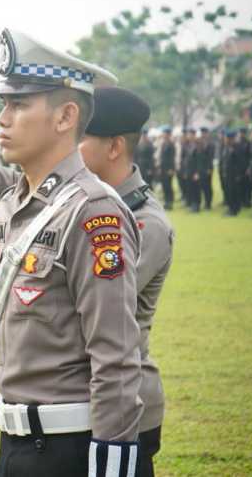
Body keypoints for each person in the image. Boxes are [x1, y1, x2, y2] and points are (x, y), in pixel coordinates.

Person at [0, 29, 143, 477]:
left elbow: (115, 358)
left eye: (18, 105)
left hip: (69, 451)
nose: (2, 118)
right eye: (3, 104)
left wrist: (112, 467)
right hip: (17, 446)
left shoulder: (94, 213)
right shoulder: (18, 201)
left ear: (65, 117)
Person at [78, 87, 174, 477]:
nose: (70, 147)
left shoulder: (144, 223)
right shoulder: (86, 202)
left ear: (114, 147)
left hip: (126, 404)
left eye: (81, 138)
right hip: (84, 397)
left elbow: (92, 302)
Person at [221, 130, 245, 216]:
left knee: (234, 192)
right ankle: (231, 207)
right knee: (228, 192)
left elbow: (240, 162)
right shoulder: (226, 147)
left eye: (226, 138)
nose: (225, 140)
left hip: (234, 175)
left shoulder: (237, 147)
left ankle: (234, 210)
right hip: (227, 174)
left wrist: (238, 174)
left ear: (231, 139)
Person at [158, 127, 176, 210]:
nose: (164, 135)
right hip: (163, 168)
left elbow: (172, 158)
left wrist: (171, 169)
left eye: (165, 133)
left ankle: (170, 202)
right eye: (163, 133)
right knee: (164, 185)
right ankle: (166, 201)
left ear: (169, 134)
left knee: (169, 185)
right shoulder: (163, 143)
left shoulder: (171, 144)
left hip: (168, 168)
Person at [197, 127, 214, 209]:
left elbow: (210, 157)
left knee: (207, 186)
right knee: (202, 186)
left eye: (204, 133)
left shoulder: (210, 143)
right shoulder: (199, 142)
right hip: (200, 168)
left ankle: (208, 203)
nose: (203, 134)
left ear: (207, 134)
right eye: (202, 133)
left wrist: (209, 169)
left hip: (207, 168)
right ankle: (204, 202)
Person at [238, 128, 252, 208]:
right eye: (240, 133)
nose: (241, 134)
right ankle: (241, 201)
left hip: (246, 167)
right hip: (239, 168)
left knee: (247, 185)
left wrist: (249, 168)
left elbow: (250, 156)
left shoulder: (248, 143)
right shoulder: (237, 143)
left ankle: (247, 201)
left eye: (242, 133)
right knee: (240, 185)